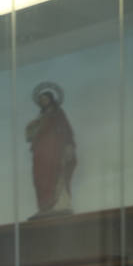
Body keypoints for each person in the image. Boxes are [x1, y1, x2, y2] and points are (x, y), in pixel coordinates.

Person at [26, 81, 76, 217]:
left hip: (54, 149)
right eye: (41, 100)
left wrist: (69, 145)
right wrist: (33, 128)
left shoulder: (58, 113)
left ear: (51, 99)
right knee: (40, 178)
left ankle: (59, 205)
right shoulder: (40, 118)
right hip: (40, 152)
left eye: (45, 99)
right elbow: (31, 135)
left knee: (55, 173)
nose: (43, 102)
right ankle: (44, 207)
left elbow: (66, 130)